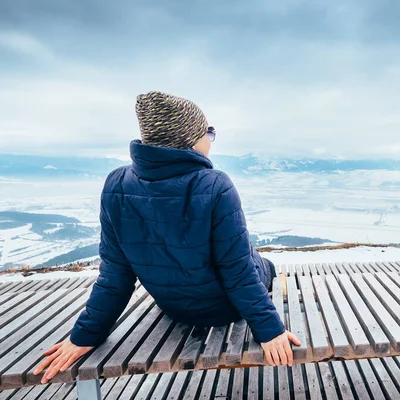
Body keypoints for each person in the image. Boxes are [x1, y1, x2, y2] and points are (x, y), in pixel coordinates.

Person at [34, 91, 300, 384]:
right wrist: (270, 330)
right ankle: (273, 270)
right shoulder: (215, 185)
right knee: (261, 264)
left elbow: (115, 276)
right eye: (208, 132)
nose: (211, 139)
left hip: (175, 309)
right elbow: (238, 273)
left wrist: (85, 334)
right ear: (190, 141)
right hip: (224, 308)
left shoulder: (116, 185)